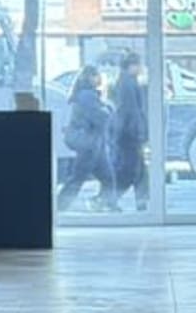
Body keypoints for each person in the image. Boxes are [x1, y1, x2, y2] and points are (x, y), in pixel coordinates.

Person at [55, 65, 112, 208]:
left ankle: (107, 204)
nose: (100, 79)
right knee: (78, 178)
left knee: (108, 178)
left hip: (94, 143)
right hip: (90, 143)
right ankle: (59, 206)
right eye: (97, 75)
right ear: (90, 77)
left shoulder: (88, 94)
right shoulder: (87, 95)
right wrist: (109, 110)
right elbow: (99, 117)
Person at [107, 53, 151, 207]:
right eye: (138, 64)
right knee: (131, 170)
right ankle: (109, 199)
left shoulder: (127, 81)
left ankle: (142, 201)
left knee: (139, 170)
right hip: (128, 133)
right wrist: (138, 132)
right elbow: (130, 110)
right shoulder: (127, 83)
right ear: (131, 66)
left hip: (127, 132)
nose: (140, 68)